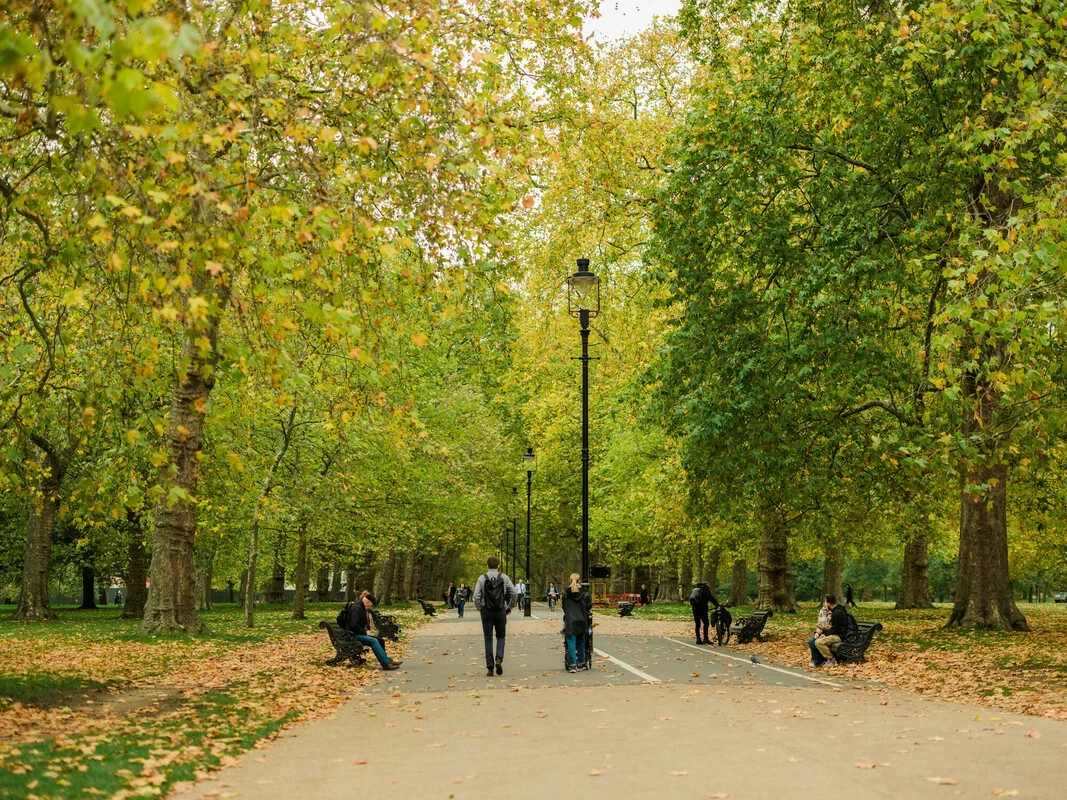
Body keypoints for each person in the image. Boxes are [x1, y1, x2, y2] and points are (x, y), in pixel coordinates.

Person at [473, 556, 516, 676]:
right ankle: (499, 658)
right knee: (501, 636)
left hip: (486, 611)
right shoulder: (503, 577)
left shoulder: (482, 578)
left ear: (487, 566)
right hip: (500, 610)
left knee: (488, 638)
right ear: (498, 566)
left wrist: (480, 608)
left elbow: (476, 596)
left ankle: (490, 667)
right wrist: (510, 607)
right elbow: (514, 593)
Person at [341, 593, 402, 671]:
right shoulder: (356, 608)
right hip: (351, 635)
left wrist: (367, 631)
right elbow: (354, 625)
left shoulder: (360, 607)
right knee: (373, 641)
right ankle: (385, 664)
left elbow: (360, 624)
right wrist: (365, 632)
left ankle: (388, 660)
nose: (370, 607)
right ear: (367, 602)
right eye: (370, 605)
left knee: (380, 640)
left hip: (356, 633)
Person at [562, 573, 593, 672]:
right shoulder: (584, 594)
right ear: (579, 581)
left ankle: (572, 664)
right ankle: (581, 663)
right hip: (582, 619)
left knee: (571, 641)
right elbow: (589, 606)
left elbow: (564, 607)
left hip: (570, 620)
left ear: (570, 581)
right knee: (581, 641)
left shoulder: (566, 594)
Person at [808, 595, 849, 668]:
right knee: (812, 641)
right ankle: (818, 661)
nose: (824, 603)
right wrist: (818, 632)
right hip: (833, 634)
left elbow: (836, 629)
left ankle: (832, 660)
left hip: (839, 636)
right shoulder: (834, 611)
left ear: (828, 603)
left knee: (819, 642)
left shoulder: (837, 613)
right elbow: (833, 628)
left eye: (825, 602)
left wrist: (825, 635)